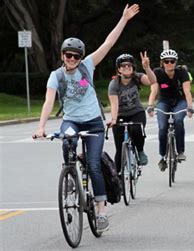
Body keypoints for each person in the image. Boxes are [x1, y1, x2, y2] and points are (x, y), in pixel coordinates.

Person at [32, 4, 140, 233]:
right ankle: (70, 176)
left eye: (76, 56)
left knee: (93, 164)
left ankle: (101, 210)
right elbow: (48, 102)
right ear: (62, 55)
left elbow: (108, 44)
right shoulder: (56, 76)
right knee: (68, 143)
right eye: (68, 55)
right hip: (71, 120)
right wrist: (41, 127)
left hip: (93, 123)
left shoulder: (87, 67)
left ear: (81, 57)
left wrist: (123, 20)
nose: (72, 59)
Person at [107, 52, 156, 172]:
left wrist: (147, 68)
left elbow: (152, 81)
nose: (126, 67)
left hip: (136, 113)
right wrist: (113, 119)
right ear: (119, 69)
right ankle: (117, 178)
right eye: (123, 66)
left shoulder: (138, 77)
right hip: (120, 115)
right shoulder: (114, 84)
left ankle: (140, 151)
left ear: (133, 68)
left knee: (136, 130)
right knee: (119, 149)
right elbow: (114, 104)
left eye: (129, 65)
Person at [147, 49, 194, 171]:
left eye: (172, 61)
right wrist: (150, 105)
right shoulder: (158, 72)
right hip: (164, 101)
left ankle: (180, 151)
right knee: (162, 127)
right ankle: (162, 156)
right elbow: (154, 90)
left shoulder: (182, 72)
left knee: (178, 120)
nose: (169, 63)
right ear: (162, 63)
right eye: (166, 61)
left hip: (180, 101)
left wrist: (190, 107)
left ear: (175, 62)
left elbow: (187, 90)